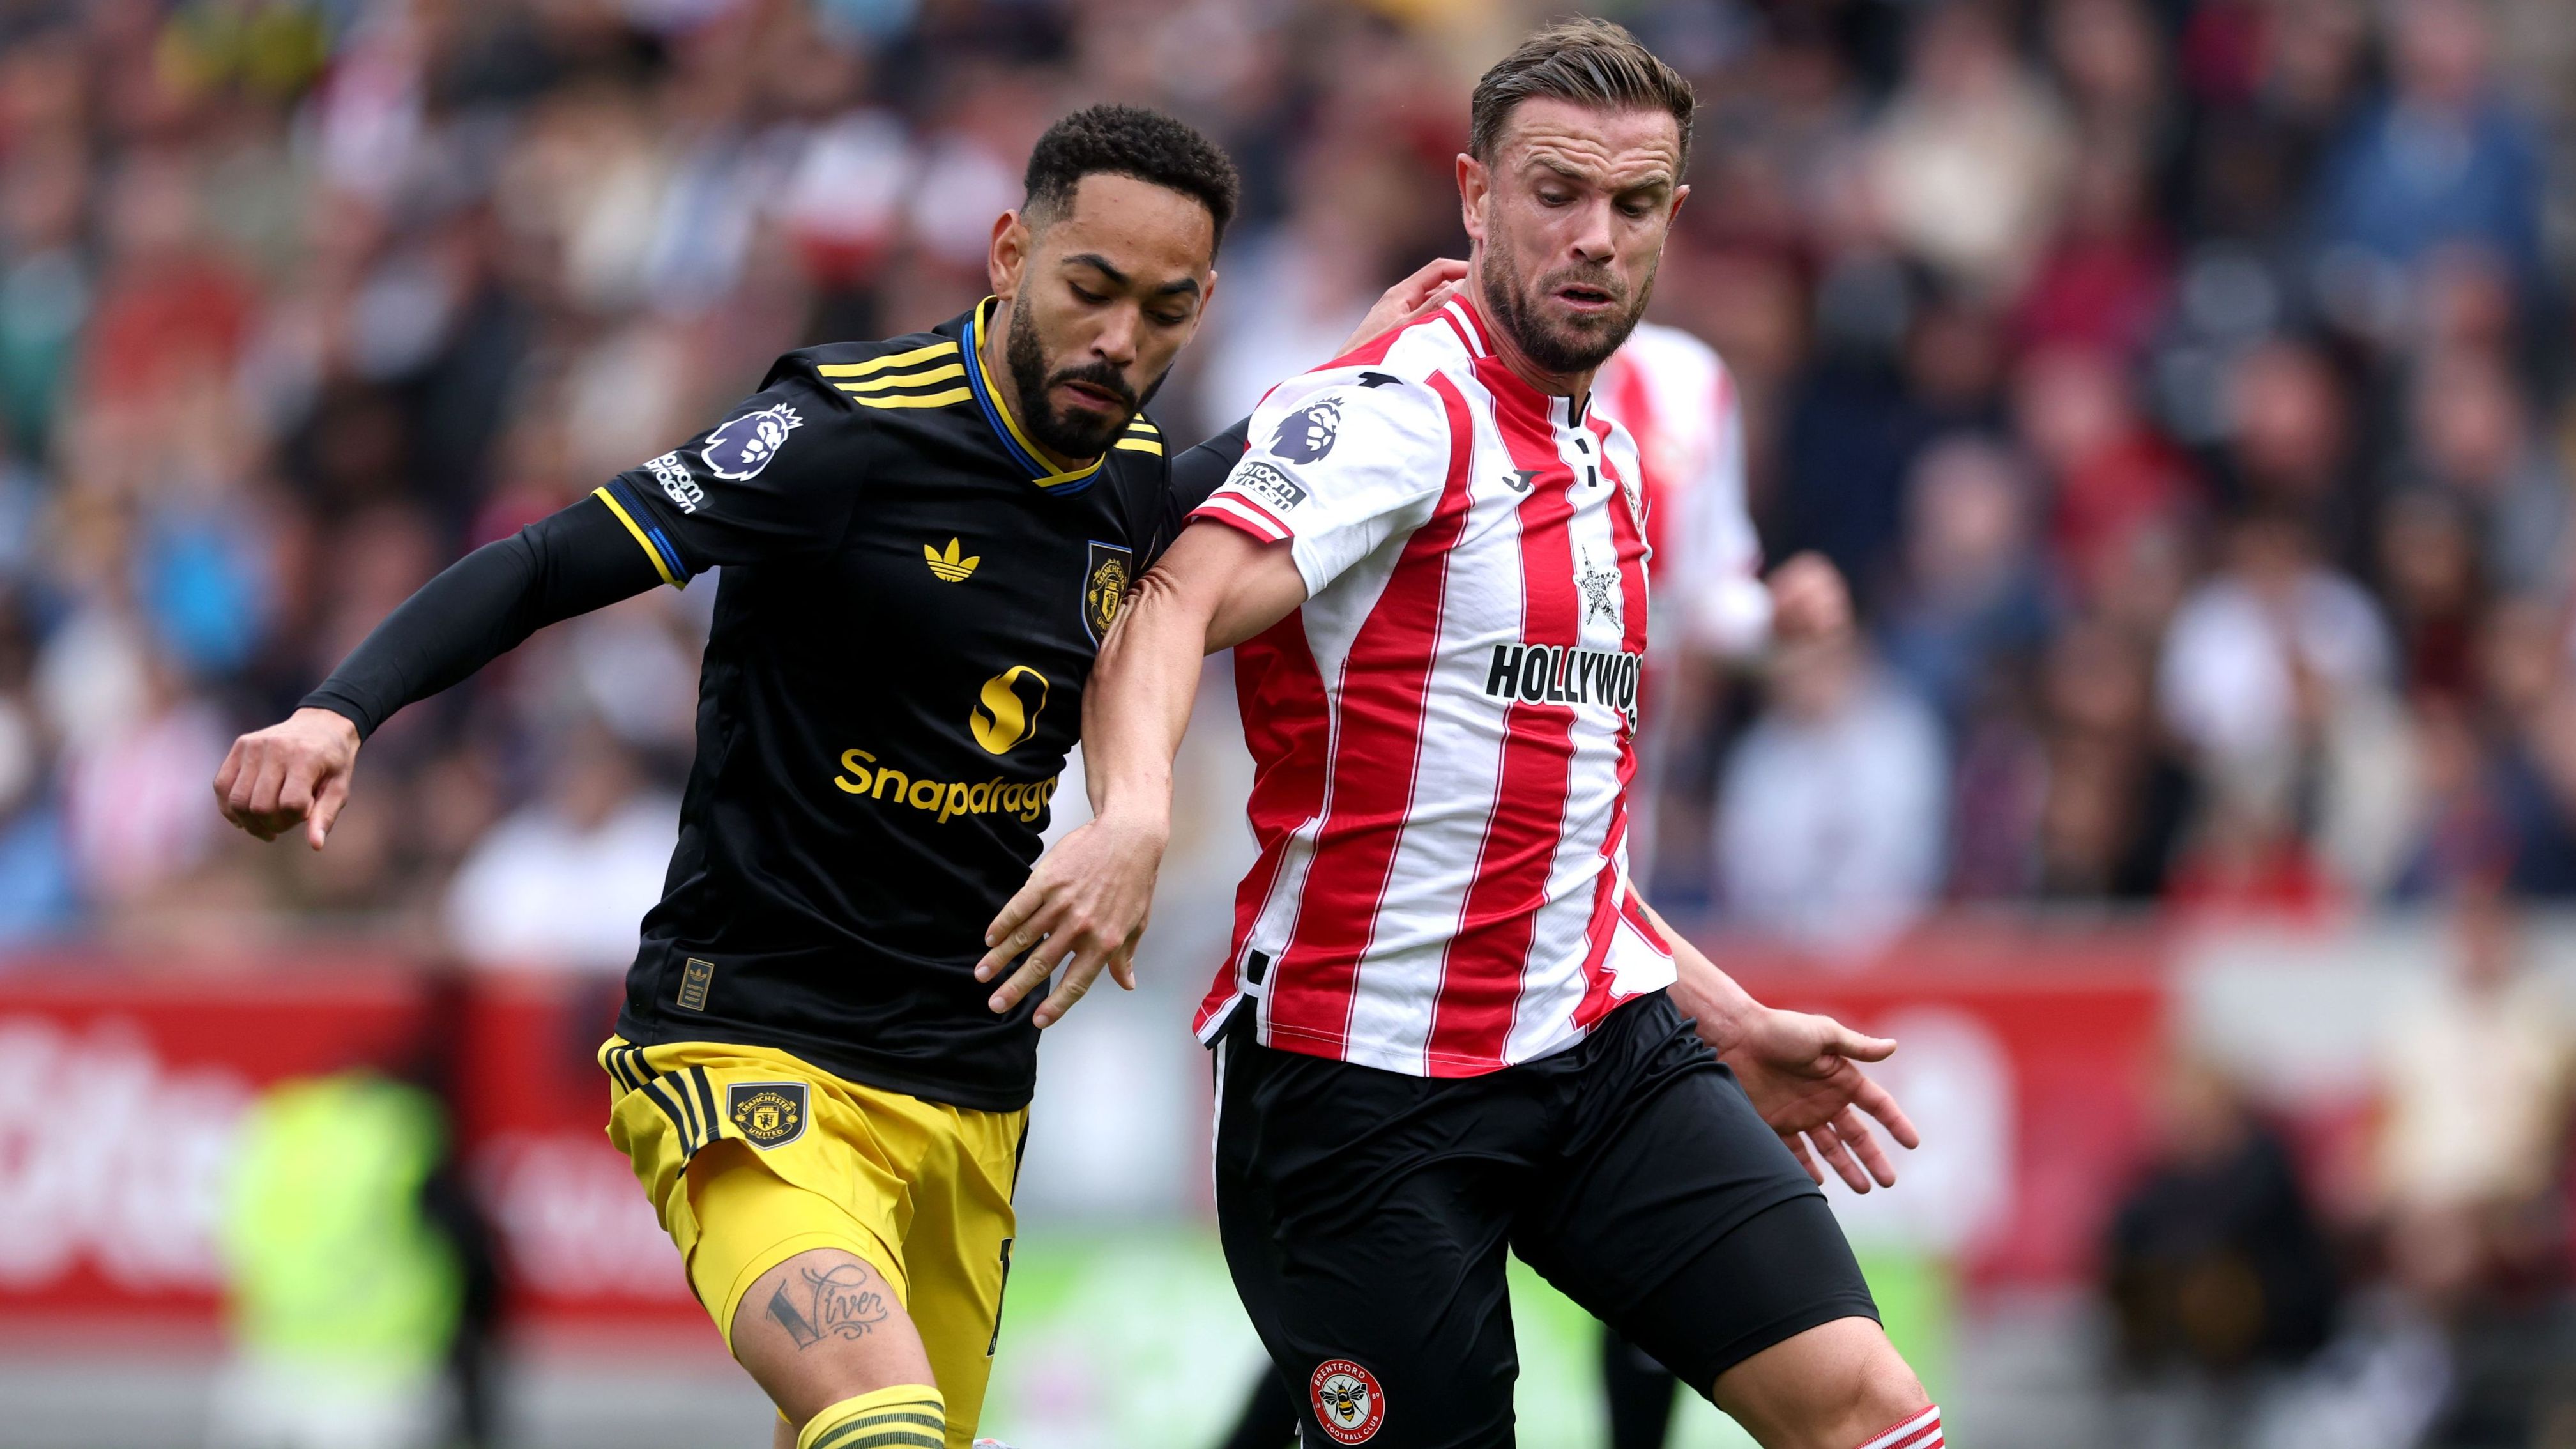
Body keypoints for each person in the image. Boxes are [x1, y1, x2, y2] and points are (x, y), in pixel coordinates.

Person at [211, 105, 1451, 1449]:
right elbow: (554, 556)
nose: (1117, 340)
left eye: (1162, 311)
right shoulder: (841, 434)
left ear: (1204, 304)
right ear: (1007, 253)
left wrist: (1354, 363)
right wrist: (340, 714)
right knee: (881, 1420)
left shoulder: (1132, 486)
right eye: (1089, 289)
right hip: (751, 1040)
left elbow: (1234, 470)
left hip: (967, 1083)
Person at [986, 22, 1937, 1449]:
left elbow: (1546, 835)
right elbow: (1168, 600)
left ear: (1672, 219)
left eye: (1631, 206)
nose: (1594, 239)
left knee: (1867, 1411)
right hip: (1359, 1094)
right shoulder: (1396, 411)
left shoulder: (1606, 450)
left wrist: (1725, 1020)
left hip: (1595, 1051)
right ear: (1475, 196)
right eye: (1555, 194)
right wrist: (1129, 815)